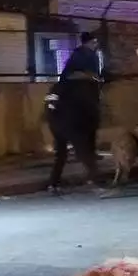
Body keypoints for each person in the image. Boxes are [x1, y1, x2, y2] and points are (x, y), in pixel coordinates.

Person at [48, 32, 104, 193]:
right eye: (94, 43)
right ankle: (94, 180)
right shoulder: (86, 57)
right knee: (84, 148)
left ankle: (54, 183)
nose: (96, 46)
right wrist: (94, 78)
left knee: (61, 152)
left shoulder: (64, 78)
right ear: (89, 43)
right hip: (74, 117)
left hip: (57, 118)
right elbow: (89, 77)